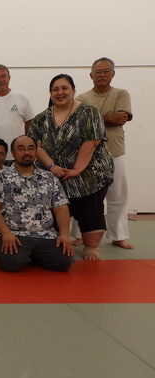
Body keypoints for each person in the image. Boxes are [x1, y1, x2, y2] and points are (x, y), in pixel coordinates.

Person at [29, 74, 113, 261]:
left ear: (73, 90)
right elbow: (37, 146)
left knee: (89, 210)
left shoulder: (88, 112)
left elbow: (91, 142)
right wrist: (51, 166)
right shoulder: (41, 118)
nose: (60, 93)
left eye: (64, 88)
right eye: (55, 89)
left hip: (88, 174)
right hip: (53, 174)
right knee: (53, 211)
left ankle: (91, 246)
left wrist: (76, 170)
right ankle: (58, 240)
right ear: (50, 93)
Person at [0, 135, 74, 272]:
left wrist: (64, 235)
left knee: (64, 262)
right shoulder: (0, 177)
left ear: (36, 152)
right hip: (14, 234)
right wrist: (6, 233)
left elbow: (61, 207)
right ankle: (29, 254)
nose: (26, 152)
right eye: (21, 149)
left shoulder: (50, 178)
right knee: (11, 264)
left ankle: (31, 254)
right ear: (13, 153)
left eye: (31, 149)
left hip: (45, 234)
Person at [72, 57, 133, 249]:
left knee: (117, 195)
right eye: (98, 72)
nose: (102, 75)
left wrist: (96, 118)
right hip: (87, 154)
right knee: (82, 194)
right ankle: (79, 234)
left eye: (106, 71)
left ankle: (118, 235)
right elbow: (80, 124)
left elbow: (121, 117)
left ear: (113, 74)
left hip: (115, 151)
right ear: (91, 75)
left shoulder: (121, 94)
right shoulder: (82, 98)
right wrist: (108, 118)